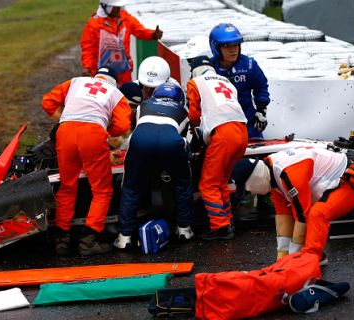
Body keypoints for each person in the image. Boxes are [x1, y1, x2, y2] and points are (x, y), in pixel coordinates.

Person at [41, 66, 132, 256]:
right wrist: (107, 133)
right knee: (102, 190)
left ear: (96, 76)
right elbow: (123, 126)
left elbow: (47, 102)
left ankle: (62, 239)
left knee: (67, 186)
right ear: (114, 82)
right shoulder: (115, 93)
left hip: (65, 133)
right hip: (92, 135)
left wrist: (65, 120)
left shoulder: (75, 82)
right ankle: (88, 240)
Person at [231, 147, 354, 261]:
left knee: (316, 214)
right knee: (300, 211)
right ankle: (309, 257)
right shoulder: (271, 173)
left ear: (256, 179)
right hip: (330, 183)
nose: (249, 192)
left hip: (348, 183)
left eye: (247, 188)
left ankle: (311, 260)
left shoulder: (288, 174)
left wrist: (293, 259)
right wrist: (282, 255)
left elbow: (302, 216)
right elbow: (283, 215)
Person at [114, 83, 194, 249]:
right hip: (170, 142)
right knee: (183, 184)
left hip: (141, 141)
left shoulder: (144, 106)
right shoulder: (184, 112)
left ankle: (124, 237)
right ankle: (184, 229)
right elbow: (188, 140)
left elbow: (137, 129)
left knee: (131, 187)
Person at [186, 56, 248, 240]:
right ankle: (227, 219)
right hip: (242, 132)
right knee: (221, 180)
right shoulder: (227, 82)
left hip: (223, 133)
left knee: (208, 183)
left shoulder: (195, 82)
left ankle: (219, 227)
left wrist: (196, 128)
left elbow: (194, 114)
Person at [209, 23, 270, 138]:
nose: (233, 50)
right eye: (227, 46)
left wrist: (261, 111)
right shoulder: (209, 69)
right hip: (220, 125)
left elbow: (261, 87)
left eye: (236, 45)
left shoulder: (249, 65)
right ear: (216, 47)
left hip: (249, 124)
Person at [80, 0, 163, 85]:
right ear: (104, 6)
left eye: (119, 7)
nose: (118, 9)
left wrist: (153, 35)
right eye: (114, 7)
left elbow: (140, 31)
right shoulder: (93, 24)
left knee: (126, 96)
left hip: (123, 72)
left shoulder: (126, 18)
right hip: (101, 73)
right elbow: (87, 48)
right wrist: (87, 67)